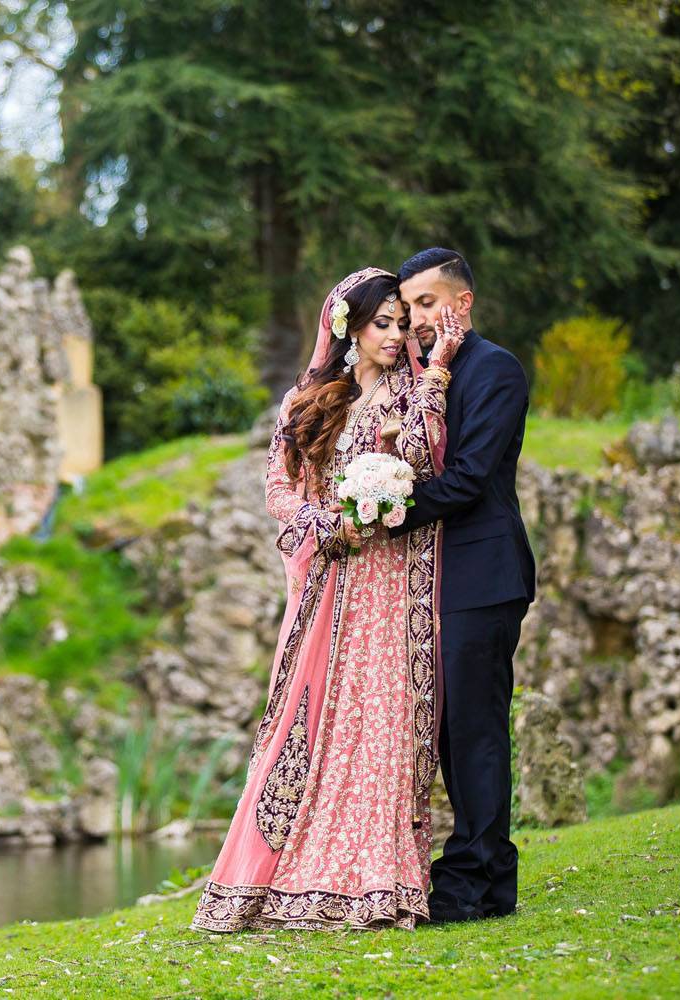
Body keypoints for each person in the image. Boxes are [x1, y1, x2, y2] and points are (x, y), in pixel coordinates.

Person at [190, 267, 467, 932]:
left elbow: (429, 464)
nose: (398, 335)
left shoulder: (412, 396)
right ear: (349, 328)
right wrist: (326, 524)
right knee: (310, 721)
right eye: (384, 324)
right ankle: (285, 882)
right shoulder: (307, 401)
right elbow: (279, 489)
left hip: (395, 586)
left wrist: (437, 375)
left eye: (403, 324)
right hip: (330, 585)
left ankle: (379, 883)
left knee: (386, 719)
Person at [384, 247, 536, 923]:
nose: (414, 319)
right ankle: (487, 880)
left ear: (461, 303)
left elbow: (471, 477)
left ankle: (471, 880)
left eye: (425, 303)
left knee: (474, 730)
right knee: (448, 731)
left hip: (484, 572)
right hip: (436, 580)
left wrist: (386, 509)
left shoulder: (495, 370)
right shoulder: (420, 376)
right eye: (408, 306)